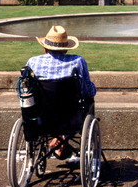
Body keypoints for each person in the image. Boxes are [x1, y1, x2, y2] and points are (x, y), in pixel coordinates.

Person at [26, 25, 96, 158]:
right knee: (85, 103)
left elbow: (24, 92)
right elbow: (87, 90)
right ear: (65, 48)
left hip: (41, 115)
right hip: (70, 115)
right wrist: (93, 91)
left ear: (45, 48)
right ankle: (63, 138)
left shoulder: (33, 62)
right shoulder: (78, 61)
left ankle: (58, 138)